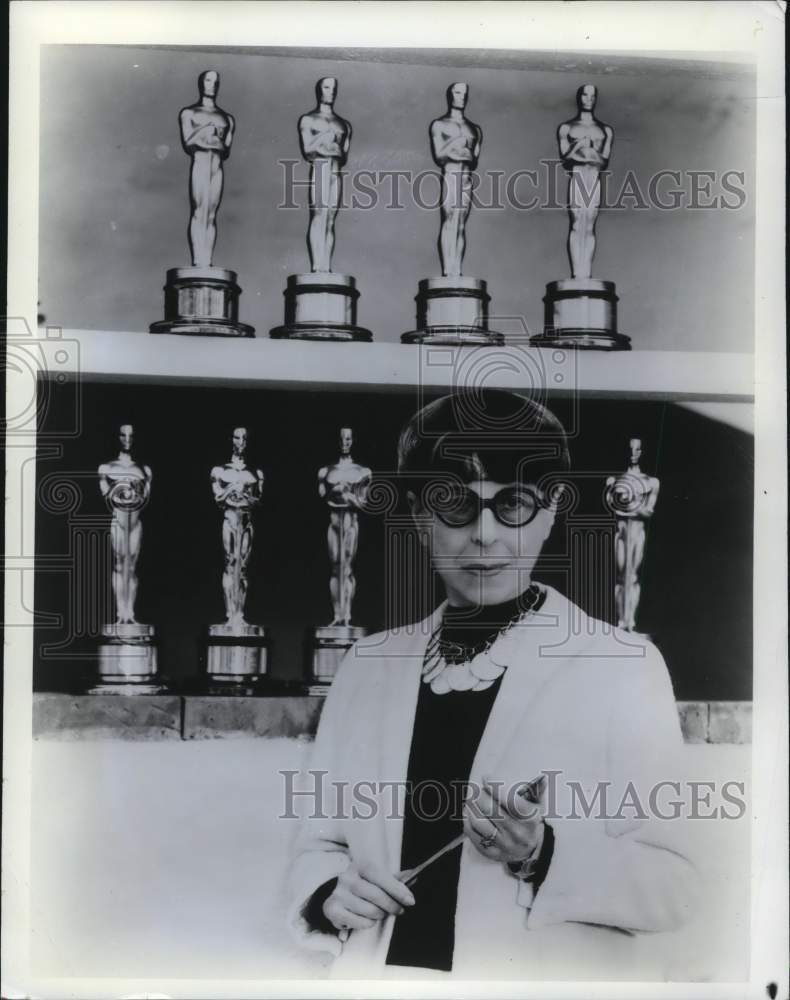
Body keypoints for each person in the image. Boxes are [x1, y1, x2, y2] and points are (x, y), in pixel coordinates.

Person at [288, 389, 697, 979]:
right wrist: (328, 894)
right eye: (454, 504)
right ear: (416, 515)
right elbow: (319, 846)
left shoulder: (621, 664)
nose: (484, 535)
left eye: (513, 505)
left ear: (552, 511)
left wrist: (542, 852)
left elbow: (676, 887)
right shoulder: (367, 663)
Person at [179, 70, 235, 268]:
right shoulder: (190, 113)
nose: (212, 84)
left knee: (211, 214)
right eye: (208, 80)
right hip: (200, 162)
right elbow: (188, 141)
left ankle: (207, 260)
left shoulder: (227, 118)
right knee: (199, 210)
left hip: (216, 166)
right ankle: (198, 260)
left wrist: (214, 136)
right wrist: (206, 130)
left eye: (216, 81)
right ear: (201, 83)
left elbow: (226, 148)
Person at [557, 83, 613, 280]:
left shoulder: (605, 130)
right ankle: (577, 273)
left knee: (589, 224)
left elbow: (603, 161)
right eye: (585, 95)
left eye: (592, 96)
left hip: (593, 179)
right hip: (578, 177)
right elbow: (565, 159)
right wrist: (582, 146)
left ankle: (585, 273)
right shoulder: (568, 127)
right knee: (576, 222)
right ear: (578, 97)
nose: (589, 100)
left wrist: (584, 153)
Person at [210, 427, 264, 629]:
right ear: (231, 440)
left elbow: (257, 500)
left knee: (241, 568)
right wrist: (235, 491)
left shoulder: (254, 473)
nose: (240, 441)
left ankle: (239, 613)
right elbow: (218, 498)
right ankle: (229, 614)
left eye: (243, 438)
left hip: (246, 521)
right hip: (230, 518)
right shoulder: (220, 471)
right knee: (230, 562)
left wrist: (241, 496)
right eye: (236, 437)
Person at [98, 424, 152, 625]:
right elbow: (108, 496)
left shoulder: (144, 470)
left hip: (135, 522)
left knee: (132, 567)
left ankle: (130, 612)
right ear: (118, 437)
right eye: (123, 434)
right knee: (120, 565)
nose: (127, 438)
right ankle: (121, 612)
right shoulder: (107, 468)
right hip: (119, 521)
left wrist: (130, 494)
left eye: (131, 435)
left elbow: (144, 498)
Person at [317, 428, 371, 627]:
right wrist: (342, 494)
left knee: (347, 567)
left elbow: (363, 503)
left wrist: (346, 495)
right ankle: (337, 615)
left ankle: (346, 615)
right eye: (342, 438)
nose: (345, 442)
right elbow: (324, 497)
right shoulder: (326, 471)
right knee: (336, 566)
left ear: (352, 440)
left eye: (348, 438)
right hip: (334, 521)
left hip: (350, 521)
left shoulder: (362, 472)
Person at [298, 77, 351, 273]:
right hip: (320, 168)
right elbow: (307, 149)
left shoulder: (344, 124)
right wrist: (325, 139)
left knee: (330, 219)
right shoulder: (309, 119)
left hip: (335, 172)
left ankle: (325, 265)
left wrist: (332, 145)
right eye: (327, 87)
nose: (331, 91)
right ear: (319, 90)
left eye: (334, 88)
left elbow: (343, 154)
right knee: (319, 215)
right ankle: (317, 266)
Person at [430, 82, 482, 277]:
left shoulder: (475, 129)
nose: (461, 97)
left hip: (466, 178)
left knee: (461, 223)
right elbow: (439, 154)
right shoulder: (440, 124)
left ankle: (456, 270)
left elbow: (474, 158)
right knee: (450, 219)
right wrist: (457, 144)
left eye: (464, 93)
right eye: (458, 92)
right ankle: (447, 271)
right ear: (450, 95)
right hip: (451, 175)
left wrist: (463, 151)